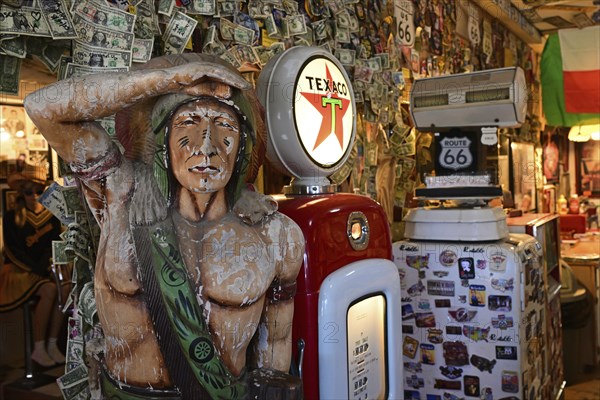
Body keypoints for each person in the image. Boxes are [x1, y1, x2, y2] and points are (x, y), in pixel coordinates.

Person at [24, 53, 304, 398]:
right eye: (188, 122)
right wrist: (168, 81)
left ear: (242, 148)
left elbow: (275, 344)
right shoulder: (121, 194)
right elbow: (41, 106)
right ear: (162, 141)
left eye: (226, 127)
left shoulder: (277, 235)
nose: (207, 146)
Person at [0, 164, 68, 367]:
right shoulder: (12, 217)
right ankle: (39, 347)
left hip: (44, 269)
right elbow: (13, 251)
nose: (34, 196)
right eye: (29, 192)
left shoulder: (52, 217)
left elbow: (54, 246)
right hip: (20, 272)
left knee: (65, 289)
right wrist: (37, 269)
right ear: (22, 193)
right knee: (48, 290)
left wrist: (48, 266)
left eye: (39, 191)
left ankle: (52, 344)